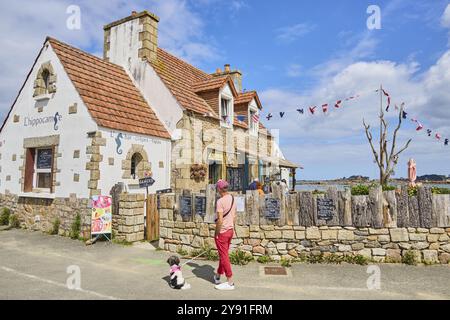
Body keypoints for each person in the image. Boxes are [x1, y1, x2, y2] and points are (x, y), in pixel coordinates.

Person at [213, 179, 237, 290]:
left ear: (219, 189)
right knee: (224, 255)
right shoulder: (232, 198)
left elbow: (220, 220)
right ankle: (218, 276)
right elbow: (234, 217)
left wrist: (216, 233)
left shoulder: (220, 201)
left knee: (224, 256)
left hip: (222, 232)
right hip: (230, 230)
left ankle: (230, 281)